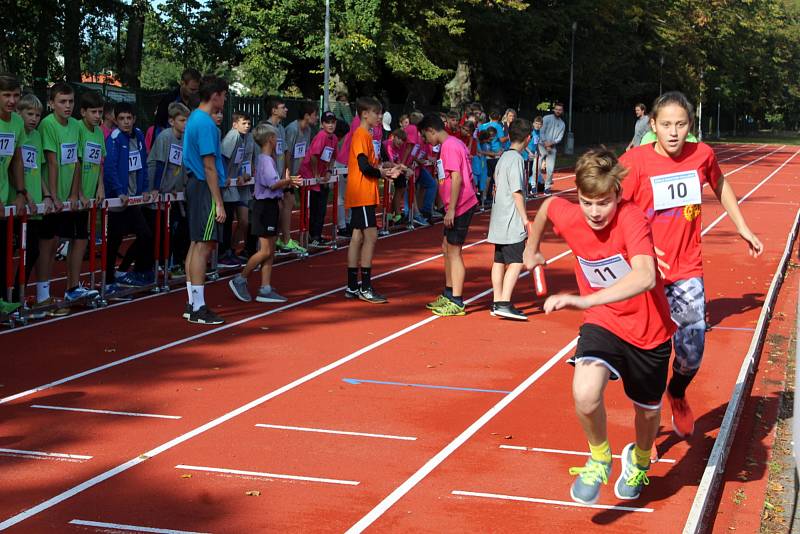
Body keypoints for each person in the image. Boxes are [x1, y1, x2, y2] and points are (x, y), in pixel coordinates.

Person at [524, 147, 676, 504]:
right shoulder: (571, 213)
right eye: (587, 202)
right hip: (603, 323)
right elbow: (546, 208)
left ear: (617, 195)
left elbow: (644, 275)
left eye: (603, 202)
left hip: (648, 330)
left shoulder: (631, 218)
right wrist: (532, 249)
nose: (594, 212)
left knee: (648, 411)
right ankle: (599, 455)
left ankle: (638, 459)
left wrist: (586, 299)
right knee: (585, 393)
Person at [619, 91, 764, 438]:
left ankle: (678, 392)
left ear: (690, 127)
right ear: (652, 125)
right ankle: (647, 433)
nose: (673, 132)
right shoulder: (635, 162)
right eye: (666, 124)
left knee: (692, 351)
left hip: (687, 270)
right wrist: (635, 254)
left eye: (680, 125)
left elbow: (721, 183)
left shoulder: (702, 155)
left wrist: (742, 225)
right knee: (651, 357)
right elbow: (614, 212)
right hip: (646, 274)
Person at [37, 82, 98, 311]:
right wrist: (53, 195)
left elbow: (77, 160)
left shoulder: (75, 125)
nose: (68, 106)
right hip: (53, 198)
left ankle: (72, 288)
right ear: (51, 103)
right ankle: (43, 294)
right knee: (50, 243)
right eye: (62, 102)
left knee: (79, 239)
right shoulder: (48, 124)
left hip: (71, 195)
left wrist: (75, 192)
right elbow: (52, 162)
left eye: (71, 101)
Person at [229, 122, 300, 304]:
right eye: (276, 138)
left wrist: (286, 182)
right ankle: (240, 279)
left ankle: (265, 288)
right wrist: (287, 181)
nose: (278, 141)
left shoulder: (267, 159)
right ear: (270, 139)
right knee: (265, 250)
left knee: (270, 250)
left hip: (269, 206)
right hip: (264, 207)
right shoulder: (265, 160)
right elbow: (272, 184)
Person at [419, 113, 478, 317]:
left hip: (460, 205)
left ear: (431, 130)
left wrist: (451, 208)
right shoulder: (452, 144)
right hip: (455, 204)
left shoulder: (450, 146)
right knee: (446, 247)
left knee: (454, 251)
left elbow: (457, 177)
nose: (426, 142)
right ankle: (448, 292)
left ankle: (457, 301)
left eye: (425, 137)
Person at [182, 75, 229, 325]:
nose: (225, 100)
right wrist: (218, 202)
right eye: (224, 95)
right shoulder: (206, 124)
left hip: (195, 185)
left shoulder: (194, 118)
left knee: (195, 243)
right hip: (204, 187)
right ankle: (198, 307)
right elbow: (209, 166)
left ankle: (192, 302)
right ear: (216, 96)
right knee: (204, 246)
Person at [344, 96, 400, 303]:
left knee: (357, 237)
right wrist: (383, 175)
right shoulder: (361, 135)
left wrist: (389, 168)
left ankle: (352, 285)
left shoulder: (367, 135)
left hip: (363, 191)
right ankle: (365, 287)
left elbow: (372, 164)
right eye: (376, 113)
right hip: (362, 192)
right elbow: (364, 166)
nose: (379, 117)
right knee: (371, 237)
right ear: (364, 114)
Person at [103, 101, 153, 290]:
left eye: (128, 118)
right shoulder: (114, 138)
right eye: (121, 119)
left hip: (134, 198)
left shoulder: (139, 135)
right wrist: (119, 191)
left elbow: (143, 164)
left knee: (146, 235)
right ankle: (108, 279)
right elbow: (109, 168)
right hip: (118, 198)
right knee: (115, 240)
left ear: (134, 119)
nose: (125, 122)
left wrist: (145, 188)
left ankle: (123, 271)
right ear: (115, 120)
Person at [488, 118, 531, 320]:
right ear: (528, 138)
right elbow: (517, 191)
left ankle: (497, 300)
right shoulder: (516, 159)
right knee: (516, 261)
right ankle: (504, 302)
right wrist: (525, 219)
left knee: (499, 260)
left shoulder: (503, 156)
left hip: (498, 216)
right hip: (511, 217)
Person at [147, 102, 191, 277]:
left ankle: (169, 264)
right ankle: (152, 266)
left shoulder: (184, 138)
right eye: (182, 120)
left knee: (176, 227)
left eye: (187, 120)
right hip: (157, 190)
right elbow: (159, 164)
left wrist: (176, 187)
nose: (186, 123)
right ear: (172, 121)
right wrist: (157, 188)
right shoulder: (165, 137)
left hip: (172, 191)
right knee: (155, 231)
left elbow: (179, 165)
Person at [0, 75, 31, 312]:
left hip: (6, 197)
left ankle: (2, 300)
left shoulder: (17, 124)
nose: (12, 101)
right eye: (6, 96)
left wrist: (21, 192)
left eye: (15, 96)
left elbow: (16, 161)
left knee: (4, 251)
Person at [14, 94, 45, 311]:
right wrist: (24, 194)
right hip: (16, 203)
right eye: (29, 114)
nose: (34, 119)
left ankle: (17, 293)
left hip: (34, 206)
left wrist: (48, 195)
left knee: (32, 250)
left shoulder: (36, 137)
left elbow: (39, 168)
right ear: (19, 113)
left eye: (37, 115)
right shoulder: (16, 133)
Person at [280, 100, 318, 254]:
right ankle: (284, 239)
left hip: (298, 174)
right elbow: (287, 153)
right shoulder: (292, 129)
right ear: (307, 116)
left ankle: (288, 237)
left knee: (291, 204)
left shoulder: (308, 130)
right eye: (315, 115)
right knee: (287, 204)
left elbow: (304, 153)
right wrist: (289, 174)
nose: (317, 118)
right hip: (287, 175)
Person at [219, 110, 253, 266]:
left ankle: (228, 251)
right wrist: (224, 176)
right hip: (226, 185)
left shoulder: (244, 138)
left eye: (248, 124)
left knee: (231, 220)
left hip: (233, 184)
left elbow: (238, 161)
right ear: (235, 124)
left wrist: (242, 174)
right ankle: (221, 254)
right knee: (225, 221)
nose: (247, 126)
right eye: (243, 123)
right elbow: (223, 157)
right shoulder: (232, 136)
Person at [300, 110, 338, 246]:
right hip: (310, 174)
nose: (330, 125)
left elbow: (333, 157)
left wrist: (328, 171)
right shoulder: (321, 136)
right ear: (322, 124)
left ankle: (316, 235)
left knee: (322, 206)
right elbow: (314, 156)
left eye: (333, 122)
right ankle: (311, 235)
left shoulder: (334, 138)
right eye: (327, 123)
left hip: (322, 175)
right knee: (315, 207)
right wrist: (316, 174)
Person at [153, 68, 201, 135]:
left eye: (196, 90)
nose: (194, 93)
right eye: (192, 89)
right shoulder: (169, 100)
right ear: (182, 83)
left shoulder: (198, 100)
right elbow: (159, 126)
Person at [538, 102, 565, 195]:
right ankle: (535, 184)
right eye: (556, 109)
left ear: (562, 111)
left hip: (552, 148)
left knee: (550, 169)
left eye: (560, 110)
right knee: (537, 167)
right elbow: (541, 131)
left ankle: (547, 187)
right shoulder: (546, 118)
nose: (558, 111)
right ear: (554, 109)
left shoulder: (562, 124)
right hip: (541, 146)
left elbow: (559, 138)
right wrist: (546, 143)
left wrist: (551, 144)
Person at [525, 116, 543, 195]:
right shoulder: (530, 132)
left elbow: (536, 143)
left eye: (539, 124)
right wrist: (529, 152)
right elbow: (524, 144)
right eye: (536, 123)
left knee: (531, 172)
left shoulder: (538, 132)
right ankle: (525, 189)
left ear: (542, 125)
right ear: (533, 123)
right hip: (526, 154)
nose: (537, 125)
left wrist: (538, 151)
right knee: (526, 172)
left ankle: (532, 188)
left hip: (533, 155)